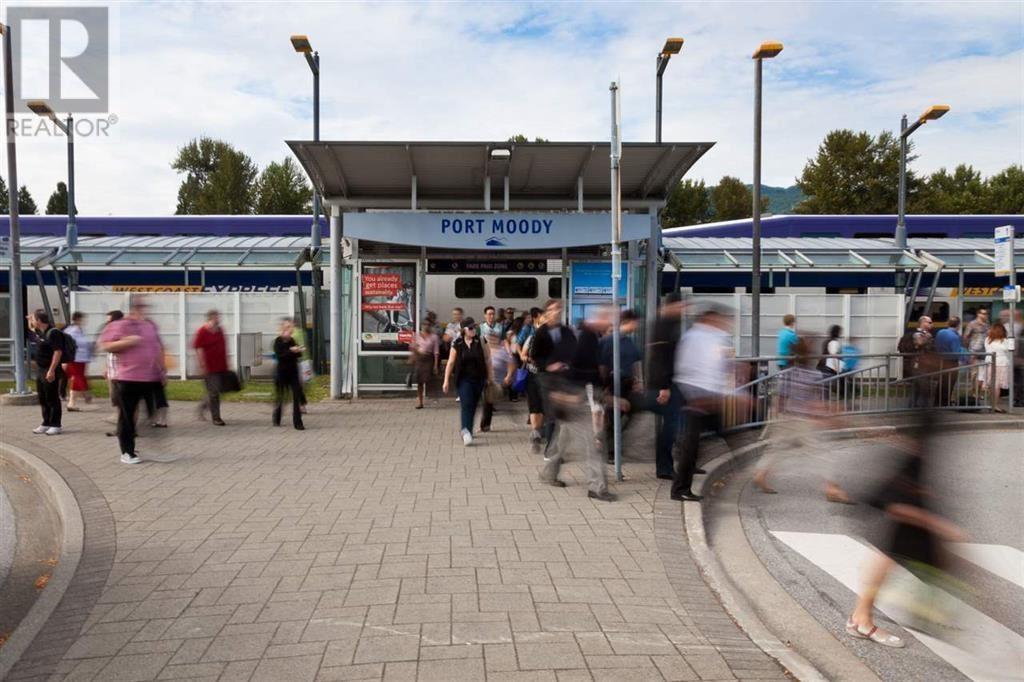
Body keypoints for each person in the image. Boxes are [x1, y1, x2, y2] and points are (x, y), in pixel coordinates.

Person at [752, 339, 852, 503]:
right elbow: (816, 400)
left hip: (787, 417)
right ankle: (831, 488)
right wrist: (822, 417)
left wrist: (778, 414)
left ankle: (760, 474)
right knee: (820, 453)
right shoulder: (815, 375)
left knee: (776, 448)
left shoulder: (788, 373)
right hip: (803, 420)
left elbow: (781, 398)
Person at [540, 305, 614, 502]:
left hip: (574, 394)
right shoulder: (586, 337)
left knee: (563, 436)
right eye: (609, 317)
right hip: (578, 395)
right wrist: (567, 395)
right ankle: (597, 487)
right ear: (600, 318)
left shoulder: (582, 335)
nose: (611, 322)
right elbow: (572, 366)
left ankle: (549, 473)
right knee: (594, 441)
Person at [672, 304, 746, 502]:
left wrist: (730, 393)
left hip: (710, 398)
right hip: (698, 399)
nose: (725, 323)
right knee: (693, 445)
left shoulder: (717, 337)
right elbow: (687, 369)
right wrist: (696, 396)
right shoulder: (694, 338)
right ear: (709, 319)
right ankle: (680, 489)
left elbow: (724, 367)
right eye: (721, 320)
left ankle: (746, 470)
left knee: (725, 435)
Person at [98, 298, 167, 464]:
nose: (143, 310)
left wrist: (161, 370)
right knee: (127, 415)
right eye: (139, 307)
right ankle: (127, 452)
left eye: (145, 307)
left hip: (149, 377)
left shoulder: (149, 326)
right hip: (127, 377)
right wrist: (127, 341)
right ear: (132, 310)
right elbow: (105, 345)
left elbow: (157, 348)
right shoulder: (120, 325)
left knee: (152, 412)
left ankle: (143, 444)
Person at [532, 300, 578, 459]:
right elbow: (535, 356)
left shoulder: (567, 331)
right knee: (552, 413)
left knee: (562, 415)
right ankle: (550, 451)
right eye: (552, 310)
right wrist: (548, 366)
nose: (556, 312)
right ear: (546, 313)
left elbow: (574, 351)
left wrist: (568, 364)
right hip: (547, 378)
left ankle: (548, 440)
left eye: (558, 309)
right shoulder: (541, 332)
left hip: (563, 377)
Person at [648, 293, 685, 480]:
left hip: (673, 382)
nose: (682, 310)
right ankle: (664, 467)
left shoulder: (672, 324)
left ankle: (684, 463)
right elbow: (659, 357)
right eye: (680, 306)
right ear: (671, 306)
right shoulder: (662, 325)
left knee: (679, 424)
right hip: (665, 385)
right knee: (669, 427)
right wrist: (664, 386)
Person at [599, 309, 643, 463]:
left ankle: (612, 444)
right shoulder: (608, 341)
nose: (637, 326)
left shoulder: (630, 342)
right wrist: (605, 388)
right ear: (626, 322)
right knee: (613, 418)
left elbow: (636, 362)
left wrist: (638, 381)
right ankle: (609, 451)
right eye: (635, 323)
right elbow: (602, 365)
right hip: (613, 384)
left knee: (629, 412)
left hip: (627, 384)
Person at [442, 317, 492, 445]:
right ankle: (465, 431)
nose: (473, 329)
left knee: (473, 405)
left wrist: (490, 377)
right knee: (467, 404)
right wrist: (446, 380)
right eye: (470, 328)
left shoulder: (481, 341)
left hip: (479, 379)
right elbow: (451, 362)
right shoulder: (458, 344)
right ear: (464, 330)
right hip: (464, 379)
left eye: (474, 327)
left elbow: (488, 360)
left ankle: (468, 430)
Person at [27, 310, 65, 435]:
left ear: (39, 321)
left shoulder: (53, 333)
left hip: (50, 369)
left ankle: (56, 424)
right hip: (41, 369)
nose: (32, 322)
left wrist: (51, 370)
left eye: (33, 319)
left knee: (52, 397)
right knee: (42, 397)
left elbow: (58, 352)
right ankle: (46, 423)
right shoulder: (40, 332)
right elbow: (31, 327)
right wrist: (30, 319)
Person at [193, 309, 228, 426]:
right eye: (216, 318)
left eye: (218, 317)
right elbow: (198, 348)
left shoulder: (220, 330)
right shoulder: (202, 331)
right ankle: (216, 418)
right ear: (210, 319)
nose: (218, 319)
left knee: (218, 391)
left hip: (221, 366)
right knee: (214, 392)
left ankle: (203, 406)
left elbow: (224, 347)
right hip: (209, 367)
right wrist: (201, 365)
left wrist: (228, 362)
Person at [272, 318, 305, 430]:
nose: (290, 330)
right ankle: (276, 418)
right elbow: (280, 356)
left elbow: (298, 356)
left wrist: (298, 350)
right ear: (282, 329)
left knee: (296, 396)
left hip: (293, 372)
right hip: (281, 373)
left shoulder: (292, 340)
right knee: (281, 397)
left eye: (291, 328)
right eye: (287, 328)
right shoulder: (278, 341)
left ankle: (298, 423)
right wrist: (291, 351)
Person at [480, 329, 514, 432]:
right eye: (489, 339)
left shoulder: (502, 351)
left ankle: (485, 425)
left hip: (497, 381)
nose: (491, 340)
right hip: (485, 379)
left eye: (493, 338)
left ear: (497, 339)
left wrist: (508, 376)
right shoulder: (483, 350)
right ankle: (485, 425)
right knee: (487, 403)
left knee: (487, 403)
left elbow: (511, 364)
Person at [63, 311, 93, 410]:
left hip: (82, 359)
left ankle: (83, 395)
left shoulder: (80, 330)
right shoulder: (71, 331)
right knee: (77, 378)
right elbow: (66, 345)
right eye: (82, 319)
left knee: (79, 378)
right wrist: (65, 360)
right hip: (75, 358)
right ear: (77, 319)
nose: (84, 321)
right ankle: (74, 400)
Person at [934, 317, 963, 406]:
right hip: (951, 362)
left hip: (940, 360)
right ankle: (945, 402)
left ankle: (937, 401)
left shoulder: (940, 332)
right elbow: (956, 352)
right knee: (949, 383)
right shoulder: (955, 336)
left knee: (941, 382)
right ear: (958, 325)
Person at [411, 318, 439, 409]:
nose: (426, 326)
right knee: (419, 381)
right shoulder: (416, 335)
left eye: (428, 325)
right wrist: (415, 353)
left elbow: (436, 351)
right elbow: (412, 347)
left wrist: (435, 365)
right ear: (421, 325)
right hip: (419, 358)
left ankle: (433, 397)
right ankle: (420, 402)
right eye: (424, 324)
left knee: (428, 378)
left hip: (428, 359)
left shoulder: (434, 337)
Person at [982, 322, 1011, 403]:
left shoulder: (987, 339)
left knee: (991, 384)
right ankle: (995, 405)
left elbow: (987, 349)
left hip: (989, 362)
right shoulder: (1005, 341)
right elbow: (1009, 350)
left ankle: (992, 404)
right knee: (997, 385)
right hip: (1002, 363)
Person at [963, 308, 990, 390]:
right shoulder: (972, 324)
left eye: (986, 314)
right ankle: (974, 390)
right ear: (978, 314)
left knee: (983, 371)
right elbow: (965, 337)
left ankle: (980, 390)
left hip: (985, 350)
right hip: (974, 350)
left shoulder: (987, 324)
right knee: (974, 371)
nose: (985, 315)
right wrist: (968, 349)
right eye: (983, 313)